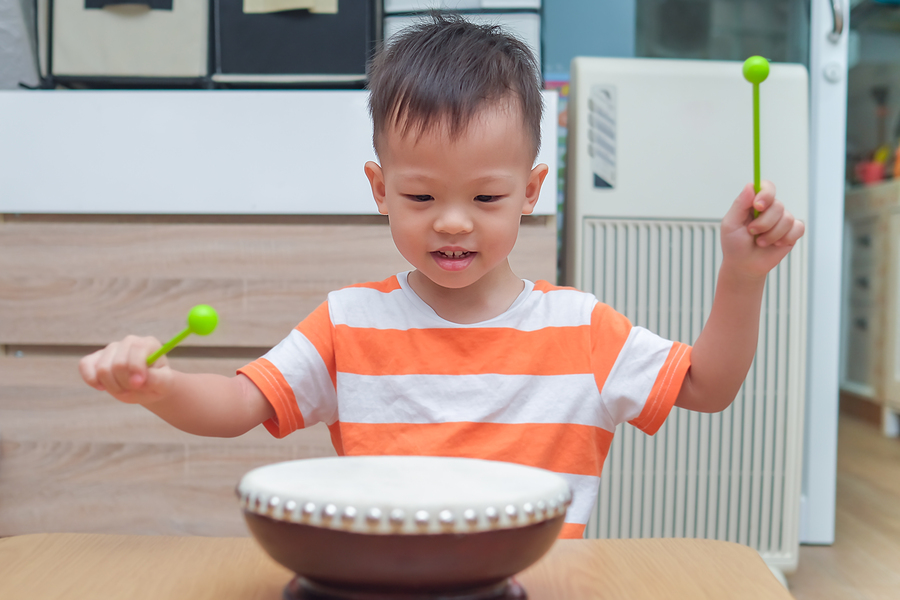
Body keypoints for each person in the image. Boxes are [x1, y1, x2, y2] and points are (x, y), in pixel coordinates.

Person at [79, 14, 805, 539]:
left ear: (530, 190)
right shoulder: (348, 322)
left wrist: (742, 276)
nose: (452, 223)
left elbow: (709, 388)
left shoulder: (582, 329)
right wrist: (161, 387)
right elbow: (238, 405)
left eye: (486, 198)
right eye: (421, 198)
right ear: (380, 190)